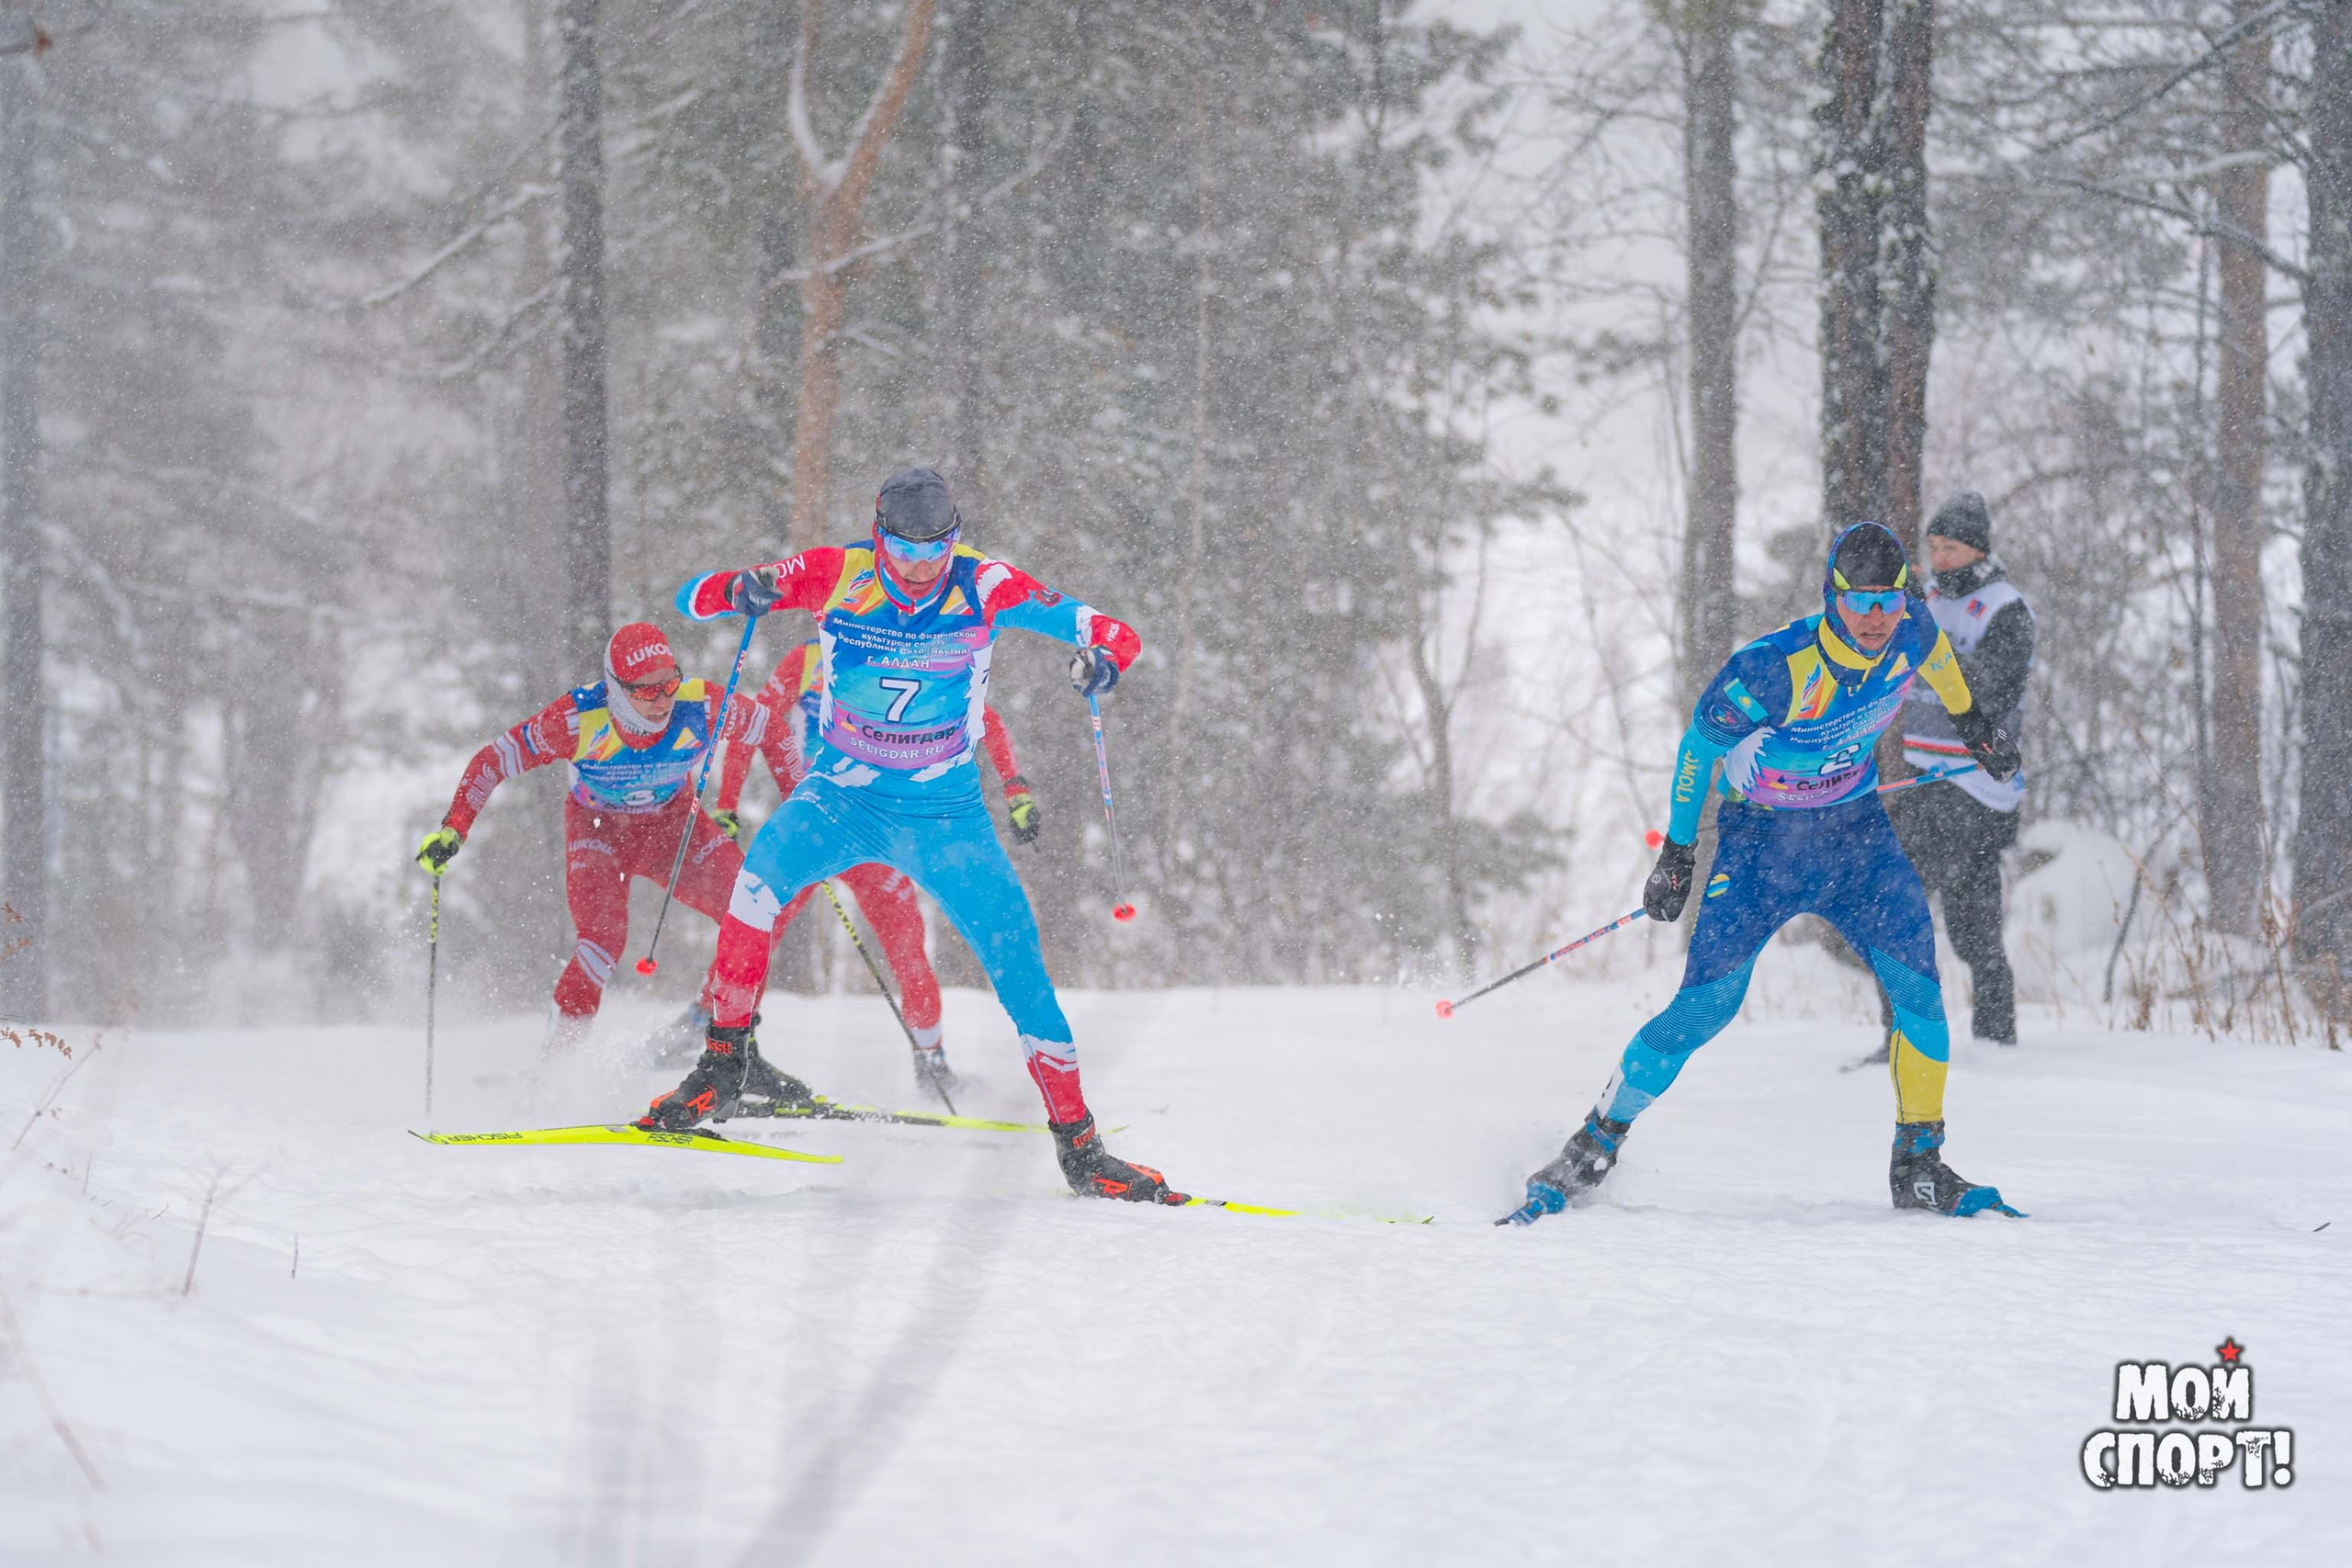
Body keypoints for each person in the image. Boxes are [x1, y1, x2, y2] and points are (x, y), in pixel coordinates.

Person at [639, 466, 1183, 1203]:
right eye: (906, 552)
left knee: (1021, 972)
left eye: (938, 551)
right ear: (879, 535)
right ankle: (723, 1067)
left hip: (946, 817)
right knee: (755, 890)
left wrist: (1103, 663)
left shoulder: (984, 583)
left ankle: (1081, 1147)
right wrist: (743, 590)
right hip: (839, 798)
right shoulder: (836, 573)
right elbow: (693, 598)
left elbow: (1114, 632)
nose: (922, 568)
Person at [1501, 522, 2026, 1226]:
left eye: (1888, 599)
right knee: (1707, 1005)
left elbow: (1943, 670)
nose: (1875, 616)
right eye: (1859, 600)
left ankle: (1918, 1164)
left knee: (1920, 989)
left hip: (1856, 836)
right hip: (1760, 847)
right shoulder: (1771, 667)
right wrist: (1678, 853)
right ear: (1832, 597)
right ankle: (1592, 1145)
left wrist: (1976, 726)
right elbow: (1697, 749)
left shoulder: (1912, 629)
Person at [641, 637, 1043, 1100]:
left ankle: (932, 1067)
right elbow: (756, 725)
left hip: (878, 828)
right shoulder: (805, 658)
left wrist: (1015, 788)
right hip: (817, 822)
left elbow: (983, 720)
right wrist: (727, 805)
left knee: (905, 945)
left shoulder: (920, 658)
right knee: (755, 925)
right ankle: (708, 1030)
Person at [413, 622, 775, 1050]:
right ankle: (556, 1070)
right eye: (645, 691)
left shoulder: (701, 704)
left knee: (754, 910)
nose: (662, 700)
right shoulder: (575, 719)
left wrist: (805, 811)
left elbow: (774, 732)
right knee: (602, 942)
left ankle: (715, 1039)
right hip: (599, 831)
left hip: (675, 826)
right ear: (617, 689)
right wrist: (454, 827)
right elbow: (492, 761)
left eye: (668, 684)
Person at [1883, 491, 2035, 1047]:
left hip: (1977, 786)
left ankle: (1992, 1038)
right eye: (1934, 546)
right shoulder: (1922, 599)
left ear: (1978, 550)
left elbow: (1991, 691)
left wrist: (1927, 637)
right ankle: (1906, 1034)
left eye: (1952, 548)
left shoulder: (2005, 609)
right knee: (1908, 909)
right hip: (1925, 777)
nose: (1940, 558)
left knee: (1939, 918)